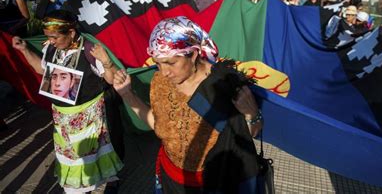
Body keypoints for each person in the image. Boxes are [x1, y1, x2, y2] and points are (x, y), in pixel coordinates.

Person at [112, 16, 262, 193]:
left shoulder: (223, 86)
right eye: (158, 64)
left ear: (193, 54)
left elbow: (247, 136)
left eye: (171, 63)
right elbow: (157, 124)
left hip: (211, 184)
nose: (164, 72)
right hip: (167, 178)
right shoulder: (160, 81)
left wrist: (252, 115)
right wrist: (127, 94)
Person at [11, 10, 124, 193]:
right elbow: (43, 71)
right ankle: (82, 185)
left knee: (93, 153)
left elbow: (110, 80)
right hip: (63, 117)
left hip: (88, 114)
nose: (51, 41)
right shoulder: (52, 48)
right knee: (72, 156)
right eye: (49, 36)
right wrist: (24, 50)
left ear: (71, 33)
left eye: (54, 37)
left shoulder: (89, 49)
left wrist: (107, 62)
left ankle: (107, 180)